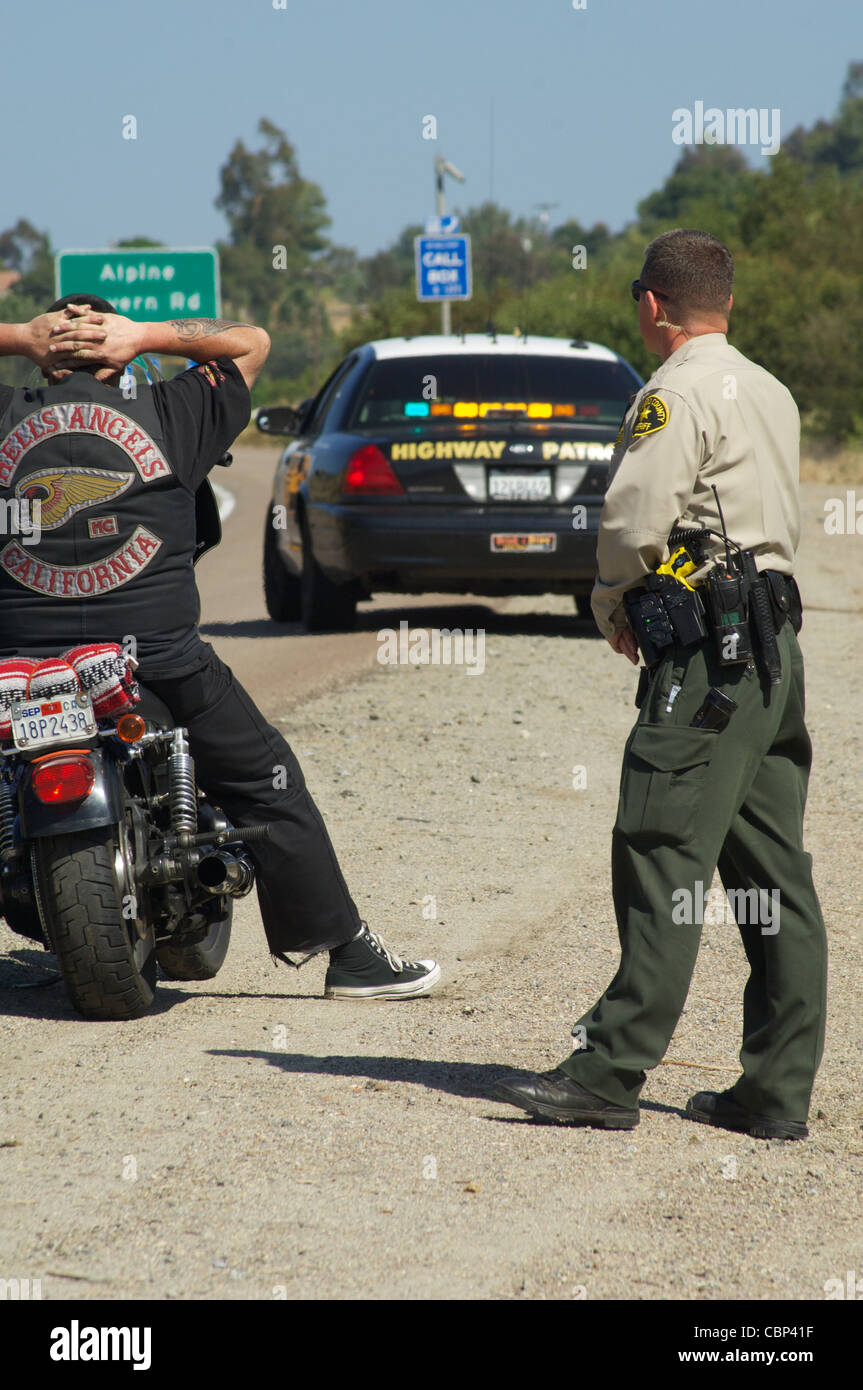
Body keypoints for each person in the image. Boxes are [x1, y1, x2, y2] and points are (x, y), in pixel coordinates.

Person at [0, 294, 440, 1000]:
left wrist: (21, 337)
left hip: (17, 665)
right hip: (160, 662)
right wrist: (142, 334)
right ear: (122, 361)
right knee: (269, 786)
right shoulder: (173, 411)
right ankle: (346, 953)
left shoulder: (7, 414)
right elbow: (250, 341)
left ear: (45, 356)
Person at [493, 228, 826, 1139]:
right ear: (726, 302)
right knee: (771, 871)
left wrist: (609, 602)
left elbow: (635, 517)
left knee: (658, 847)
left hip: (707, 654)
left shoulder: (672, 391)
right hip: (772, 652)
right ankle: (773, 1090)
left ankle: (609, 1071)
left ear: (652, 303)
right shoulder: (768, 388)